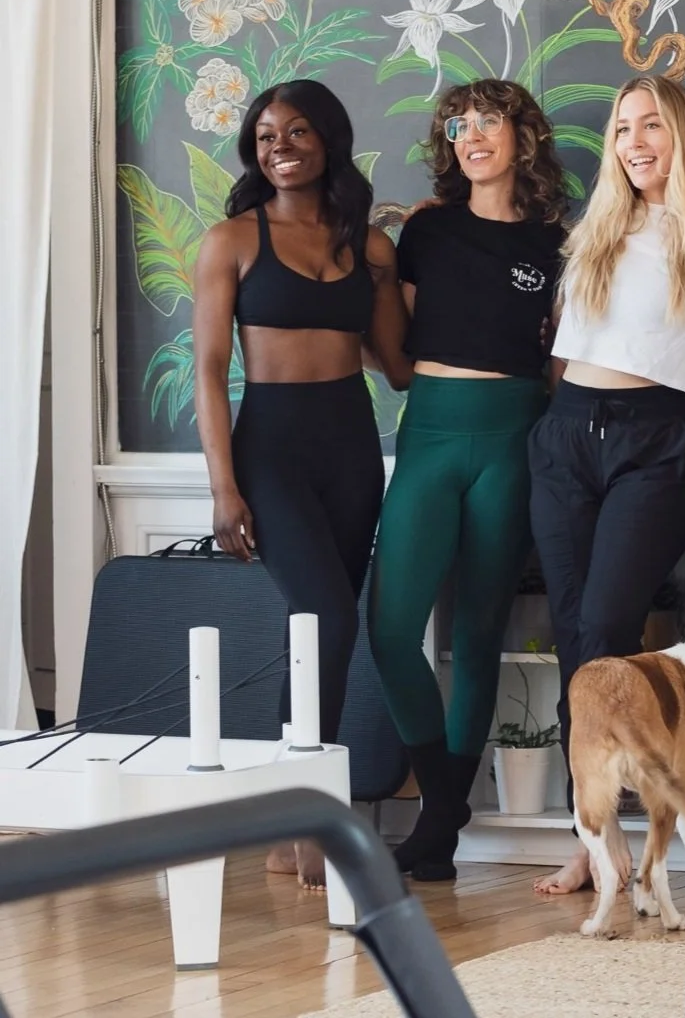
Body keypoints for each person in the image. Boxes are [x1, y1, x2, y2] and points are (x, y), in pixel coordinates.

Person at [528, 75, 685, 898]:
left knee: (603, 630)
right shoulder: (592, 230)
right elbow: (559, 353)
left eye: (650, 126)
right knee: (574, 637)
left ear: (682, 137)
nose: (633, 142)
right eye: (622, 128)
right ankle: (593, 837)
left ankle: (609, 841)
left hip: (656, 441)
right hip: (565, 436)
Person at [191, 78, 407, 888]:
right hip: (270, 451)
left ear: (330, 142)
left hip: (351, 449)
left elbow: (398, 369)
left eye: (298, 132)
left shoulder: (369, 246)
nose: (279, 147)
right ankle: (310, 818)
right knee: (325, 618)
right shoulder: (232, 240)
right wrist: (224, 487)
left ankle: (289, 826)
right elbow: (211, 372)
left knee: (321, 633)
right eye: (266, 135)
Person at [366, 80, 568, 882]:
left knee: (478, 634)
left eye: (489, 121)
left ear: (524, 136)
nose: (472, 135)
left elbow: (559, 357)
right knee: (391, 631)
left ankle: (437, 835)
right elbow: (398, 349)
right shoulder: (428, 229)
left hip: (515, 433)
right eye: (458, 124)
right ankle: (447, 800)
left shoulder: (558, 240)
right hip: (433, 431)